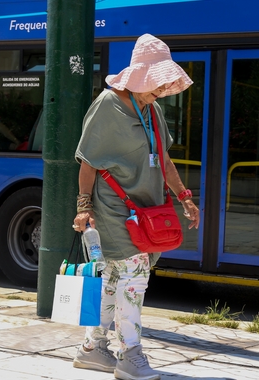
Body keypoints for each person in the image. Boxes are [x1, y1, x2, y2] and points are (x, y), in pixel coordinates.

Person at [71, 34, 199, 380]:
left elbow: (165, 157)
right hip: (114, 206)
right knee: (133, 279)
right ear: (140, 75)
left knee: (114, 280)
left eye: (163, 86)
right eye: (156, 84)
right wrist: (84, 206)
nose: (160, 91)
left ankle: (92, 349)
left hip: (147, 208)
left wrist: (184, 196)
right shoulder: (107, 104)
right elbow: (88, 161)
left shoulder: (152, 108)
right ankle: (131, 355)